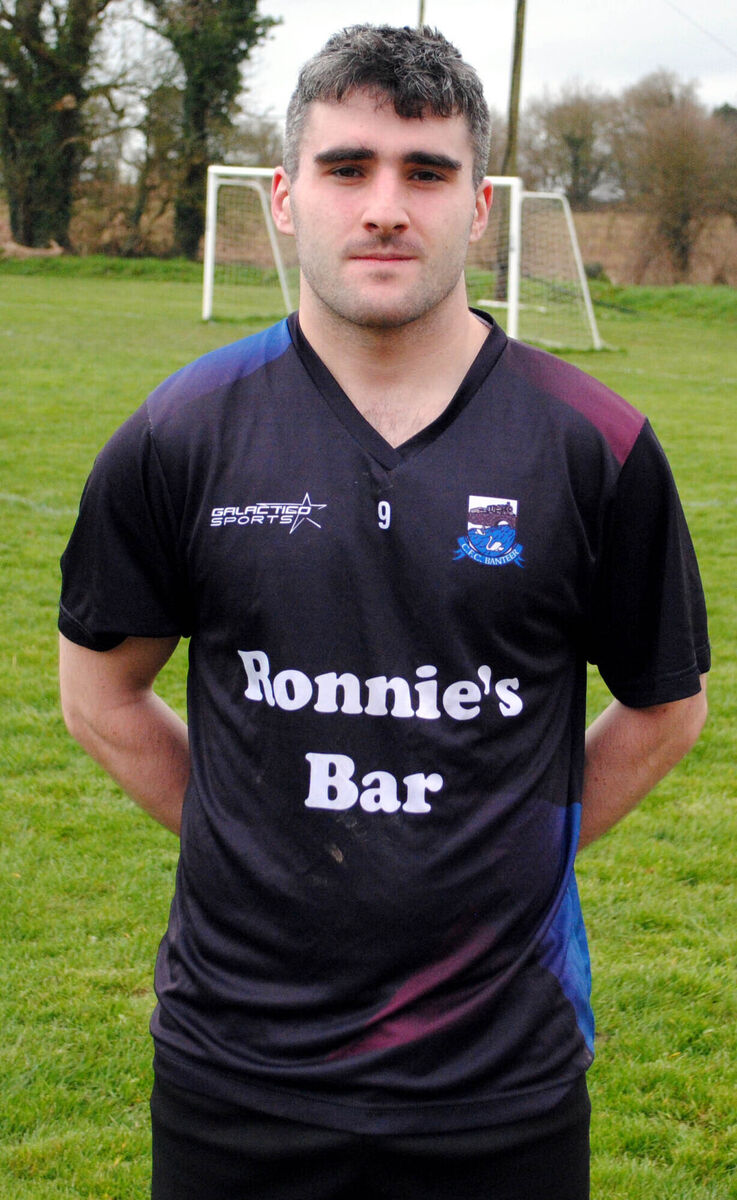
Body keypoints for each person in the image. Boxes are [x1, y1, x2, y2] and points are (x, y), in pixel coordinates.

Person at [58, 24, 709, 1200]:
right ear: (285, 199)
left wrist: (505, 859)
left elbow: (664, 711)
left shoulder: (593, 444)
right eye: (347, 167)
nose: (384, 206)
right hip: (236, 1068)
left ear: (477, 209)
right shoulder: (180, 432)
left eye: (426, 170)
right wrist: (259, 847)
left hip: (498, 1077)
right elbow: (98, 693)